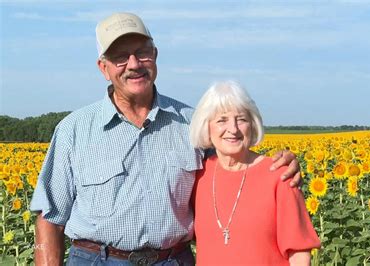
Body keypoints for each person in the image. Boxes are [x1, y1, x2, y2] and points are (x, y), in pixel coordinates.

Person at [30, 12, 301, 266]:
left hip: (171, 259)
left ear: (155, 55)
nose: (134, 65)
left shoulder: (193, 123)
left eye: (142, 53)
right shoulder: (74, 130)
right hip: (98, 259)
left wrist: (276, 166)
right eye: (121, 57)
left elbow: (233, 170)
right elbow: (49, 219)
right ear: (104, 67)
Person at [190, 80, 320, 265]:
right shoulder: (199, 175)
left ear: (253, 124)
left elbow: (299, 253)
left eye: (241, 119)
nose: (233, 129)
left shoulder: (279, 175)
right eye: (222, 120)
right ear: (206, 127)